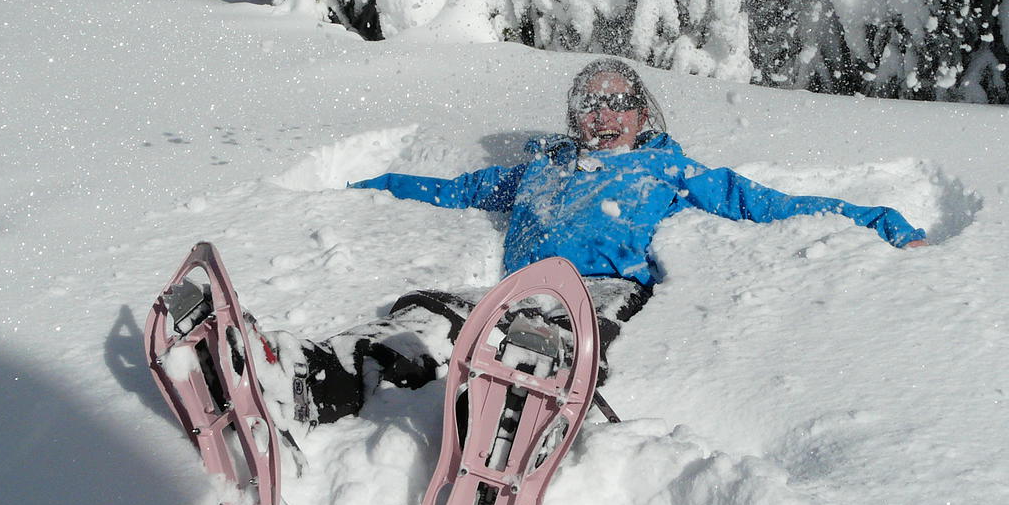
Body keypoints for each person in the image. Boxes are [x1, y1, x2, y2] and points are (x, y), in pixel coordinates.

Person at [252, 57, 925, 429]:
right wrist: (354, 185)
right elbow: (453, 191)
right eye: (587, 103)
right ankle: (308, 380)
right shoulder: (537, 169)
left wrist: (877, 221)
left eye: (613, 102)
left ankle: (505, 423)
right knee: (420, 316)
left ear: (640, 114)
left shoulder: (668, 168)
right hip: (511, 291)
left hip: (593, 293)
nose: (599, 114)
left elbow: (768, 204)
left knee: (533, 343)